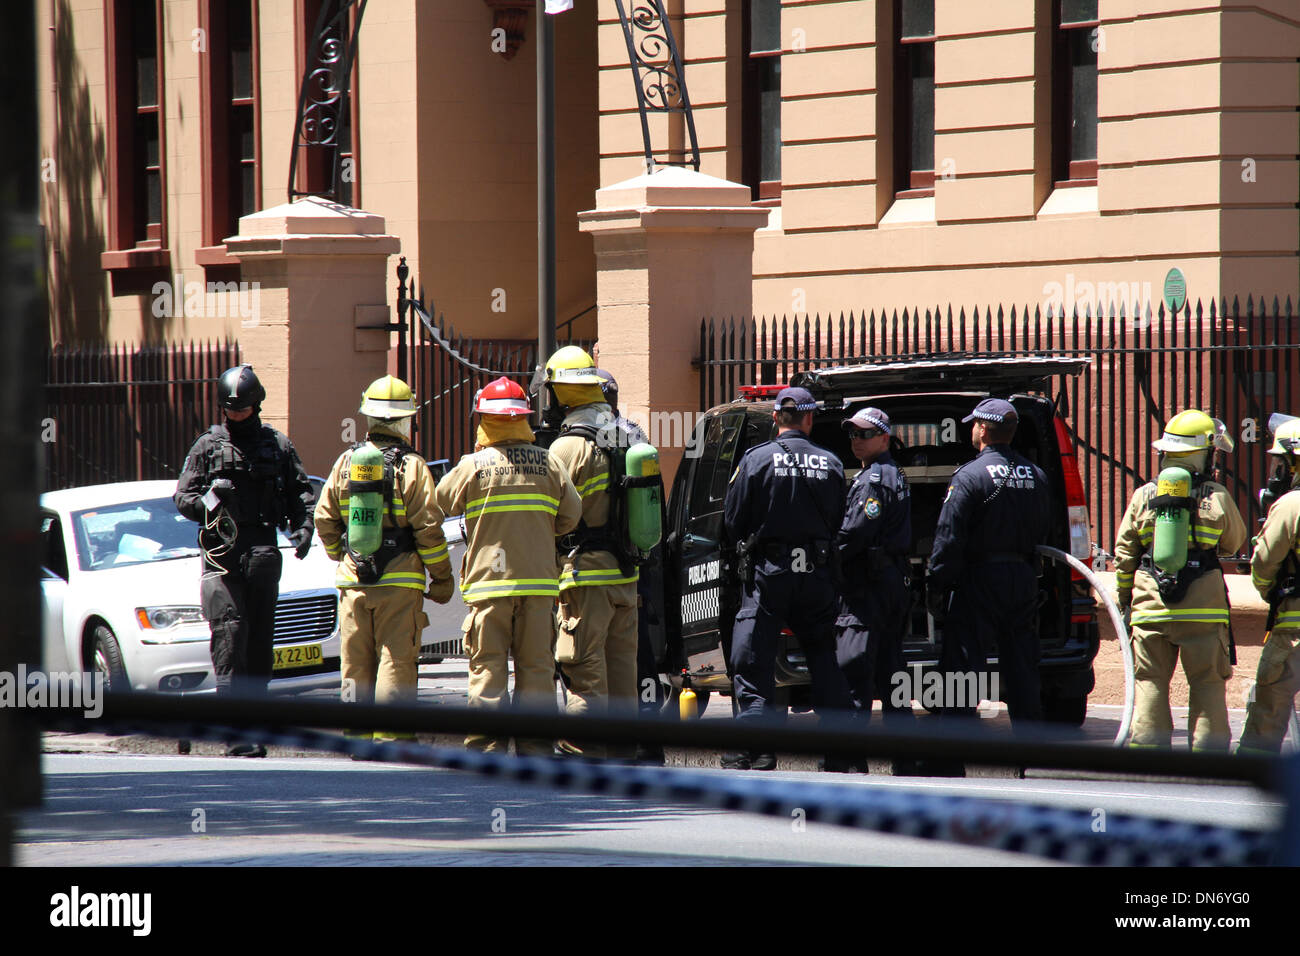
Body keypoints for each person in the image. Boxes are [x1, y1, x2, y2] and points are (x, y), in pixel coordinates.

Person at [434, 377, 582, 755]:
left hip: (489, 589)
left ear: (483, 418)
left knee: (488, 672)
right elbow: (571, 516)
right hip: (538, 588)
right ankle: (536, 751)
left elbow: (440, 504)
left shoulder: (473, 465)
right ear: (523, 418)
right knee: (536, 672)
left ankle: (487, 751)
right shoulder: (549, 462)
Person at [174, 364, 315, 756]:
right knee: (230, 635)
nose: (235, 415)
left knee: (258, 644)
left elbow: (301, 496)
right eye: (230, 409)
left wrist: (305, 529)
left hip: (263, 552)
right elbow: (183, 500)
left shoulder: (279, 445)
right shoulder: (207, 446)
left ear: (256, 406)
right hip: (221, 554)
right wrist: (213, 497)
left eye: (242, 409)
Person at [722, 386, 855, 771]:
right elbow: (839, 522)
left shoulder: (755, 460)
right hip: (816, 575)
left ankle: (757, 749)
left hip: (769, 574)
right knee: (824, 659)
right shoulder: (830, 463)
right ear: (810, 419)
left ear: (777, 418)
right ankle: (841, 752)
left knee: (753, 658)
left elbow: (733, 521)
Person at [314, 375, 455, 738]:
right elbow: (428, 528)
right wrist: (441, 577)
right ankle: (393, 738)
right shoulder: (413, 467)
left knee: (355, 663)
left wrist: (340, 556)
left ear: (368, 417)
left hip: (353, 581)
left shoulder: (346, 461)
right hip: (401, 582)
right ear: (407, 419)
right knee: (396, 660)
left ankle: (356, 736)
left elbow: (324, 517)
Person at [1112, 409, 1246, 750]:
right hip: (1203, 611)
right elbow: (1234, 542)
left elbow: (1125, 553)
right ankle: (1208, 756)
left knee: (1150, 681)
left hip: (1150, 609)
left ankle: (1147, 752)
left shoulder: (1144, 496)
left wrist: (1126, 598)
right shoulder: (1216, 495)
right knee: (1206, 683)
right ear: (1204, 452)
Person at [928, 398, 1050, 740]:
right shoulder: (1036, 474)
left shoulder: (969, 476)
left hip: (979, 580)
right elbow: (1045, 527)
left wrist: (937, 584)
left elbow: (949, 537)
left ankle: (954, 751)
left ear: (982, 429)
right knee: (1022, 667)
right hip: (1023, 579)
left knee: (961, 669)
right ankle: (1033, 752)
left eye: (973, 424)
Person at [545, 346, 641, 759]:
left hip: (584, 575)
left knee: (584, 668)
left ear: (563, 392)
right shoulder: (632, 434)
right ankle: (623, 750)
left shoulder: (566, 448)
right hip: (626, 576)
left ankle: (582, 749)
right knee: (623, 672)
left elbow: (552, 518)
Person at [835, 407, 915, 774]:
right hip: (889, 583)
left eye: (864, 434)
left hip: (868, 588)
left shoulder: (873, 481)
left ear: (884, 438)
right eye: (852, 434)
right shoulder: (888, 473)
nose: (856, 440)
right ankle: (906, 756)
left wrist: (826, 556)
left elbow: (855, 533)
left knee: (855, 669)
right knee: (890, 670)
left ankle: (850, 758)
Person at [596, 367, 668, 764]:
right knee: (636, 656)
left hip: (595, 563)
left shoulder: (583, 437)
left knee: (592, 656)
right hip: (635, 564)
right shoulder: (635, 434)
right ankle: (646, 741)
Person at [1238, 417, 1300, 754]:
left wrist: (1268, 590)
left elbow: (1263, 563)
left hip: (1293, 631)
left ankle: (1252, 772)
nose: (1278, 473)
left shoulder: (1291, 505)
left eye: (1282, 463)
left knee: (1268, 709)